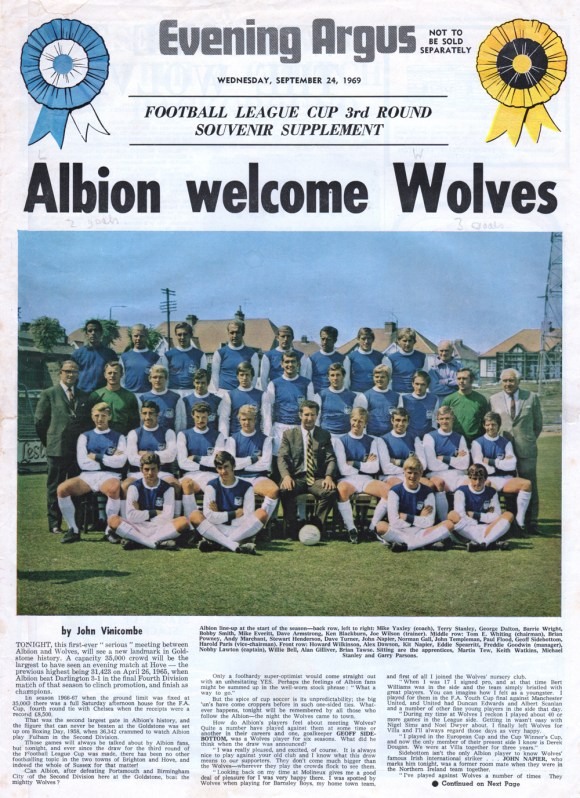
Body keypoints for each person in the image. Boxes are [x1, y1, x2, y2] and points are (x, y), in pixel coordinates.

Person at [34, 360, 93, 533]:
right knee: (55, 487)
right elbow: (39, 422)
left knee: (75, 487)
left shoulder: (83, 395)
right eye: (67, 371)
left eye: (74, 372)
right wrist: (49, 441)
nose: (71, 374)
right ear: (61, 373)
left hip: (77, 451)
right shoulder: (49, 393)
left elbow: (87, 423)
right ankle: (54, 524)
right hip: (57, 449)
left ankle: (74, 524)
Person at [56, 403, 126, 543]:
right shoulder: (84, 436)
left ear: (109, 417)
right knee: (62, 489)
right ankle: (73, 530)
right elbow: (82, 462)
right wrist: (109, 459)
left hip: (110, 475)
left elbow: (120, 462)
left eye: (103, 416)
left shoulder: (119, 437)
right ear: (92, 417)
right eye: (97, 416)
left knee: (113, 489)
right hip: (87, 475)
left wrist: (96, 456)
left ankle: (109, 531)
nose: (100, 419)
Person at [490, 368, 543, 532]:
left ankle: (532, 521)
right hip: (504, 451)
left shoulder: (531, 397)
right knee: (509, 485)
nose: (508, 384)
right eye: (505, 381)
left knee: (530, 484)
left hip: (526, 449)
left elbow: (537, 425)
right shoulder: (493, 399)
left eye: (511, 380)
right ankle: (512, 519)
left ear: (518, 381)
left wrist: (526, 440)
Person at [277, 399, 337, 539]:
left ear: (317, 416)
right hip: (296, 477)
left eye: (313, 415)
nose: (309, 418)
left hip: (316, 478)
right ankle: (293, 527)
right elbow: (282, 458)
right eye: (306, 415)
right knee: (285, 490)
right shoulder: (289, 434)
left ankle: (316, 525)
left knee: (330, 491)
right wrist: (286, 476)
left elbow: (331, 459)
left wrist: (328, 477)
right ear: (300, 415)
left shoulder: (324, 434)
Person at [189, 450, 268, 554]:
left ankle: (219, 544)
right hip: (217, 529)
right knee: (195, 515)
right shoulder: (212, 486)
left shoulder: (246, 487)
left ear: (233, 466)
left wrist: (220, 515)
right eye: (219, 468)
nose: (223, 471)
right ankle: (234, 545)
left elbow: (247, 516)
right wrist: (234, 514)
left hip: (239, 529)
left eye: (226, 466)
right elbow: (209, 516)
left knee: (262, 514)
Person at [108, 453, 190, 550]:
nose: (150, 473)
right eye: (146, 469)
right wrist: (154, 512)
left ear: (159, 469)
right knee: (112, 520)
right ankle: (154, 543)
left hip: (159, 528)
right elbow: (130, 516)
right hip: (138, 527)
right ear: (141, 470)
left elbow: (167, 517)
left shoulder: (167, 488)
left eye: (153, 469)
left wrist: (141, 514)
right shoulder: (134, 487)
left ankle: (138, 542)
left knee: (184, 521)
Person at [333, 407, 390, 544]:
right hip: (347, 479)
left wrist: (353, 463)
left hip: (366, 479)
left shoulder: (372, 441)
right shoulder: (340, 441)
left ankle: (372, 528)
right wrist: (364, 465)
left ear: (365, 424)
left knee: (388, 491)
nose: (357, 424)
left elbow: (374, 467)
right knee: (342, 490)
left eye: (361, 421)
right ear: (350, 420)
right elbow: (343, 469)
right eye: (354, 420)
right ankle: (352, 529)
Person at [374, 456, 453, 552]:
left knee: (449, 524)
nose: (412, 476)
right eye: (409, 473)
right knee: (380, 526)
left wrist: (407, 517)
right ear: (404, 472)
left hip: (420, 531)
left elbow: (429, 522)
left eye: (416, 473)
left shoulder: (427, 492)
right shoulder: (395, 491)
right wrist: (419, 517)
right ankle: (424, 543)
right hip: (400, 532)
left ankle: (406, 545)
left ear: (421, 473)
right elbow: (394, 522)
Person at [471, 411, 532, 530]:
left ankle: (520, 522)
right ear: (484, 425)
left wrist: (491, 462)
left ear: (499, 425)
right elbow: (479, 466)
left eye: (493, 424)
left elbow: (512, 465)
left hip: (506, 479)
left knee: (527, 484)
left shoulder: (506, 442)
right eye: (487, 424)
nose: (490, 427)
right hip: (488, 479)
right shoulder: (477, 443)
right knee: (487, 487)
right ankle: (492, 522)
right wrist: (502, 463)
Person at [224, 405, 279, 521]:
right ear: (239, 420)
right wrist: (252, 459)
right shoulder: (232, 439)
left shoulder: (266, 440)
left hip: (258, 478)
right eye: (244, 419)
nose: (247, 422)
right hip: (237, 478)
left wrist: (240, 464)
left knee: (273, 490)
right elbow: (231, 466)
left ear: (255, 420)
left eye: (250, 419)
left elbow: (265, 464)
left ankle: (260, 523)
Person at [125, 400, 181, 503]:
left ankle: (176, 516)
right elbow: (132, 459)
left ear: (158, 414)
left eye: (151, 413)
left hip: (162, 472)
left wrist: (147, 454)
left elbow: (171, 456)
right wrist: (159, 456)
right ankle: (126, 517)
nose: (147, 417)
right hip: (139, 472)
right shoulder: (134, 433)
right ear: (141, 414)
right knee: (125, 486)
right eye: (144, 413)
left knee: (175, 486)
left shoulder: (168, 432)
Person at [177, 401, 226, 518]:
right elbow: (182, 462)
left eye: (203, 417)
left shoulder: (218, 435)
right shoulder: (183, 435)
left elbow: (217, 461)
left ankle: (212, 521)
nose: (200, 420)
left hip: (210, 474)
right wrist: (205, 463)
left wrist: (195, 458)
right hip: (190, 474)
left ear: (208, 416)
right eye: (197, 417)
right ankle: (191, 522)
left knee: (212, 488)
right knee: (186, 485)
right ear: (192, 415)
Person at [448, 463, 513, 551]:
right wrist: (482, 519)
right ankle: (488, 542)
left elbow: (496, 516)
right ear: (469, 478)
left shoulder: (491, 492)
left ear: (485, 479)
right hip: (469, 528)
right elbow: (461, 516)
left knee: (508, 515)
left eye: (480, 479)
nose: (477, 482)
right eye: (474, 479)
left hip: (487, 527)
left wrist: (475, 514)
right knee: (452, 515)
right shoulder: (461, 491)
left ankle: (483, 543)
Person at [262, 350, 316, 454]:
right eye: (287, 362)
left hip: (299, 428)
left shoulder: (307, 384)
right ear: (282, 364)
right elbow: (268, 411)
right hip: (279, 428)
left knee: (298, 465)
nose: (290, 365)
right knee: (279, 463)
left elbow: (311, 411)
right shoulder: (274, 384)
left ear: (298, 364)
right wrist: (268, 433)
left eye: (293, 362)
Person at [424, 406, 470, 520]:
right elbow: (432, 464)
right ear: (437, 420)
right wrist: (455, 460)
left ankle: (463, 521)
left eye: (447, 418)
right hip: (436, 474)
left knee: (470, 484)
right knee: (440, 484)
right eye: (442, 418)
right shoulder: (429, 437)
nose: (445, 421)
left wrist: (443, 458)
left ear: (452, 419)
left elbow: (465, 464)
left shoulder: (460, 438)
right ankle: (444, 521)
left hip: (457, 474)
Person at [316, 362, 365, 438]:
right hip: (326, 436)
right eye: (332, 375)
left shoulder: (353, 396)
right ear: (328, 377)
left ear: (343, 376)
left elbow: (357, 420)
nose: (335, 378)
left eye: (338, 375)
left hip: (345, 436)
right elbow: (317, 419)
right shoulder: (320, 395)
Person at [90, 360, 140, 435]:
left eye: (115, 373)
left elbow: (135, 423)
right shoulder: (95, 395)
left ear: (121, 374)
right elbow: (88, 421)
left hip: (122, 437)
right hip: (100, 436)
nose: (112, 375)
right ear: (105, 375)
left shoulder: (129, 396)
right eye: (109, 373)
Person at [209, 319, 259, 393]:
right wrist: (217, 393)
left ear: (243, 333)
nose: (234, 335)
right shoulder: (219, 353)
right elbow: (214, 376)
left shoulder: (252, 354)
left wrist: (248, 392)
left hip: (243, 393)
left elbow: (254, 379)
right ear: (228, 333)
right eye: (232, 332)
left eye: (237, 332)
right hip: (223, 393)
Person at [441, 367, 489, 444]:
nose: (461, 381)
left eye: (464, 378)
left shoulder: (481, 399)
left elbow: (486, 421)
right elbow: (441, 422)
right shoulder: (449, 400)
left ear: (471, 380)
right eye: (459, 378)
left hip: (475, 441)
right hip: (454, 441)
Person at [70, 319, 118, 393]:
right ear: (86, 334)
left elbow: (116, 374)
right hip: (81, 394)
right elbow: (70, 374)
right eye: (90, 331)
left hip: (103, 394)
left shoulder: (110, 354)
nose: (93, 333)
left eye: (96, 330)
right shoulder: (77, 354)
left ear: (101, 333)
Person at [218, 361, 263, 436]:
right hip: (235, 438)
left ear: (252, 376)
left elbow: (266, 420)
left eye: (247, 375)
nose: (244, 378)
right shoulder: (229, 395)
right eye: (241, 375)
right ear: (237, 376)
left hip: (255, 439)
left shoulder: (261, 395)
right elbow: (224, 420)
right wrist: (225, 439)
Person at [139, 363, 186, 432]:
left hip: (170, 439)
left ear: (166, 378)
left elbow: (180, 422)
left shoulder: (176, 398)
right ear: (149, 379)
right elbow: (141, 422)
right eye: (155, 377)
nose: (157, 380)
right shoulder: (143, 399)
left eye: (161, 377)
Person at [164, 321, 207, 394]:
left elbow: (203, 378)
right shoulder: (168, 355)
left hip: (193, 392)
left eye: (185, 334)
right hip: (173, 391)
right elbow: (165, 378)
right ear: (176, 335)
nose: (182, 337)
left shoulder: (200, 355)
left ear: (190, 335)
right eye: (179, 334)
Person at [120, 323, 160, 393]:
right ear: (132, 337)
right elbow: (121, 379)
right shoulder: (124, 356)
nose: (138, 338)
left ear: (146, 337)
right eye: (136, 336)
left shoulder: (155, 357)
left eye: (141, 336)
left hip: (148, 395)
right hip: (130, 395)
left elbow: (159, 378)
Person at [361, 364, 400, 437]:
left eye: (382, 377)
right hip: (372, 436)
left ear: (388, 378)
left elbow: (399, 419)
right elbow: (361, 419)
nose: (379, 379)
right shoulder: (365, 396)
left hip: (389, 436)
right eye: (376, 377)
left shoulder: (397, 397)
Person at [383, 327, 425, 394]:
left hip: (416, 395)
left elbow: (425, 379)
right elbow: (387, 380)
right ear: (398, 341)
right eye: (404, 341)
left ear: (414, 341)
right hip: (397, 394)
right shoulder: (390, 359)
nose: (407, 344)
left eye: (410, 340)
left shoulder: (422, 357)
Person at [399, 369, 439, 440]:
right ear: (412, 384)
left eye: (423, 384)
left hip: (426, 438)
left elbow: (434, 422)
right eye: (417, 384)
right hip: (409, 437)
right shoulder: (404, 399)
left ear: (427, 386)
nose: (419, 387)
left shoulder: (434, 399)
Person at [308, 326, 349, 393]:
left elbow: (346, 382)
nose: (324, 342)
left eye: (328, 339)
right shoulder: (312, 359)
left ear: (334, 340)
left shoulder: (343, 359)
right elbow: (308, 382)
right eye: (322, 339)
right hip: (317, 397)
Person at [346, 327, 387, 392]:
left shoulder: (381, 357)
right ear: (358, 339)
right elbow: (346, 380)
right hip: (355, 393)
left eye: (369, 338)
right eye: (363, 338)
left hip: (374, 394)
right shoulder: (350, 357)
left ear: (373, 339)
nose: (366, 341)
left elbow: (386, 380)